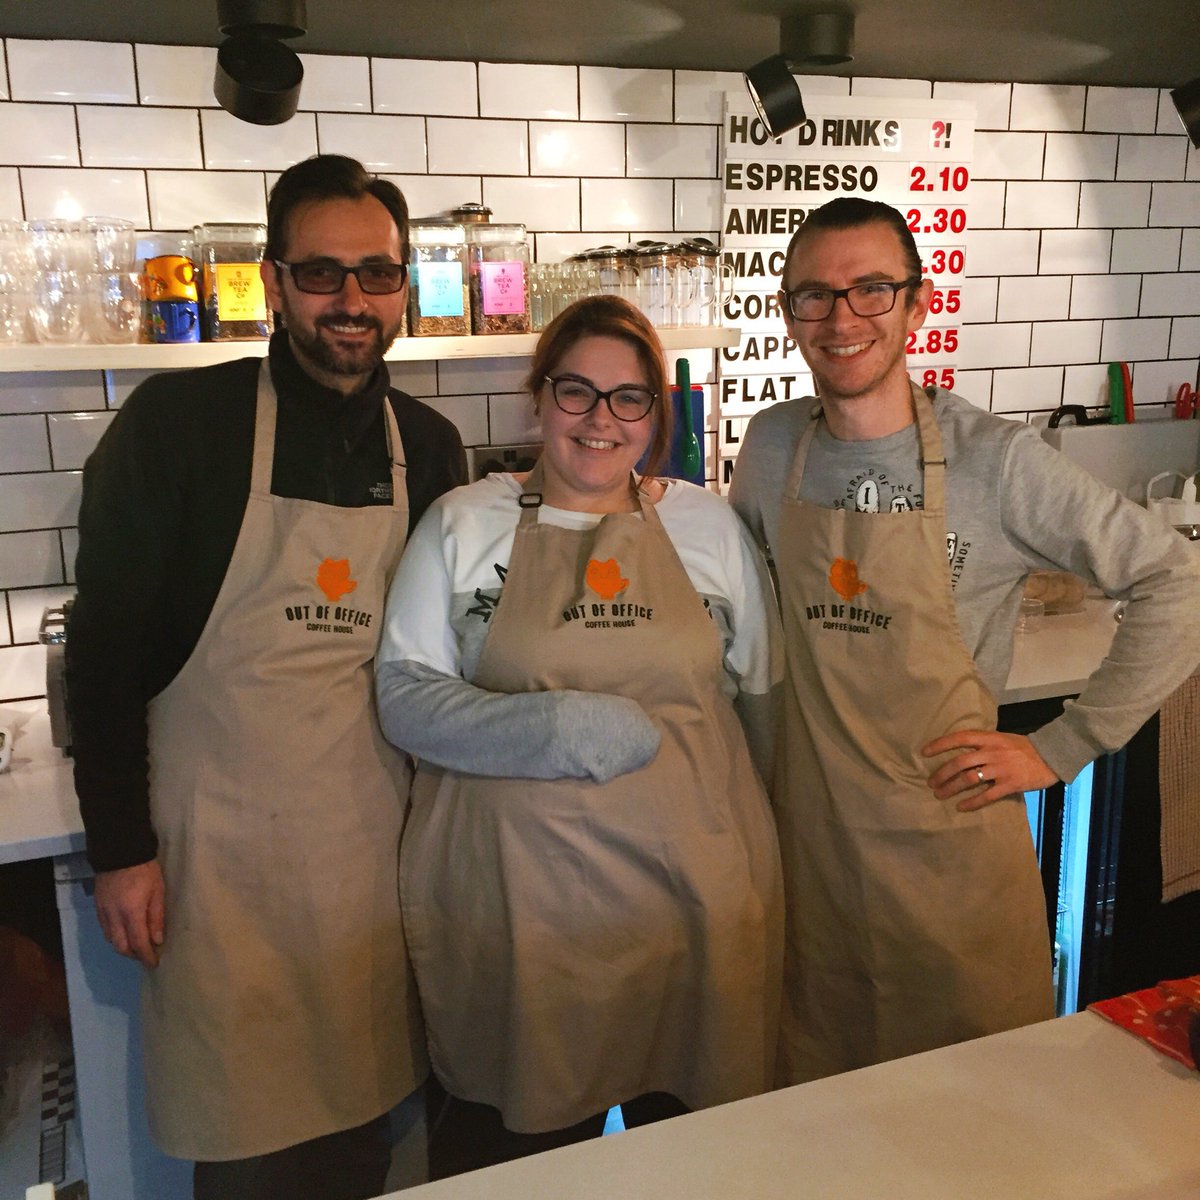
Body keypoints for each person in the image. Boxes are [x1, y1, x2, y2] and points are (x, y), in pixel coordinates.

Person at [727, 196, 1200, 1086]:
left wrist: (1062, 747)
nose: (841, 320)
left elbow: (1177, 579)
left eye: (871, 290)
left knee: (966, 1120)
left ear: (917, 302)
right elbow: (741, 618)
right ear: (786, 311)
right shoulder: (772, 444)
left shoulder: (997, 461)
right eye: (813, 296)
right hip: (807, 855)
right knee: (817, 1121)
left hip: (945, 856)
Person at [65, 154, 467, 1199]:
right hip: (219, 868)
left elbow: (441, 660)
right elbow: (105, 655)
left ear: (403, 285)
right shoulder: (176, 427)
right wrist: (121, 850)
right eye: (323, 274)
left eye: (377, 276)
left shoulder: (429, 446)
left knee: (376, 1141)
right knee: (250, 1158)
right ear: (277, 282)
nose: (352, 302)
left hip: (373, 856)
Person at [375, 295, 784, 1176]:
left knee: (695, 1169)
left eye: (629, 398)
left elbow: (761, 701)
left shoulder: (707, 527)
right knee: (512, 1168)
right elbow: (405, 699)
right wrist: (552, 727)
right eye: (577, 393)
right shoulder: (463, 523)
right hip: (523, 920)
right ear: (539, 399)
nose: (601, 421)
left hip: (692, 907)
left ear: (655, 415)